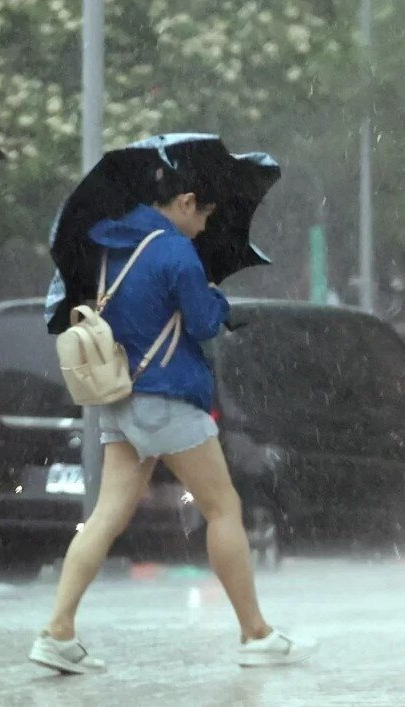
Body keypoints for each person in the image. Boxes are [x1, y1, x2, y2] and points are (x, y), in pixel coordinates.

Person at [29, 158, 315, 674]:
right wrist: (216, 299)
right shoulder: (175, 251)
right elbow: (203, 324)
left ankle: (58, 632)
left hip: (121, 397)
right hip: (168, 397)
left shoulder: (109, 248)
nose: (203, 227)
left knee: (106, 516)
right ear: (184, 203)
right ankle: (256, 634)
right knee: (223, 508)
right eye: (203, 215)